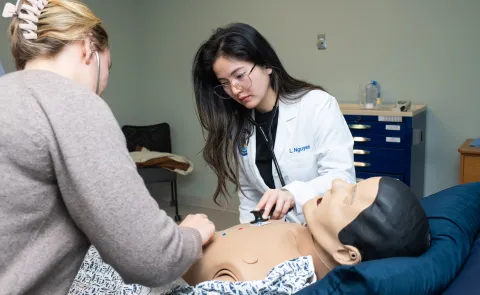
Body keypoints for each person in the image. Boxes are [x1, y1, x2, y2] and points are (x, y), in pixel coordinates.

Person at [0, 0, 215, 294]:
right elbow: (151, 258)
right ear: (88, 47)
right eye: (108, 67)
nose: (104, 85)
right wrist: (191, 234)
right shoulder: (74, 101)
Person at [192, 22, 356, 224]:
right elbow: (250, 193)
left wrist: (292, 193)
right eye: (225, 83)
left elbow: (342, 178)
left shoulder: (317, 104)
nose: (235, 89)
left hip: (325, 228)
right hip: (277, 235)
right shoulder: (240, 124)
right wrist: (249, 236)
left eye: (240, 76)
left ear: (266, 65)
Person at [180, 176, 430, 292]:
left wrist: (181, 239)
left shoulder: (266, 281)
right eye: (354, 183)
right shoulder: (300, 232)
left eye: (349, 197)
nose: (336, 183)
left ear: (345, 253)